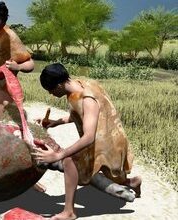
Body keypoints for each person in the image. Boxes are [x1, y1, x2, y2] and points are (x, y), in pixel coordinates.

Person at [32, 63, 142, 220]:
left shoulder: (87, 98)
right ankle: (132, 182)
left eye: (51, 90)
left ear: (59, 85)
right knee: (108, 174)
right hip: (107, 137)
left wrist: (58, 155)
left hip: (106, 143)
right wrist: (56, 122)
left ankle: (69, 212)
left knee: (70, 161)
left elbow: (88, 136)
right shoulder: (80, 84)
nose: (51, 94)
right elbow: (81, 115)